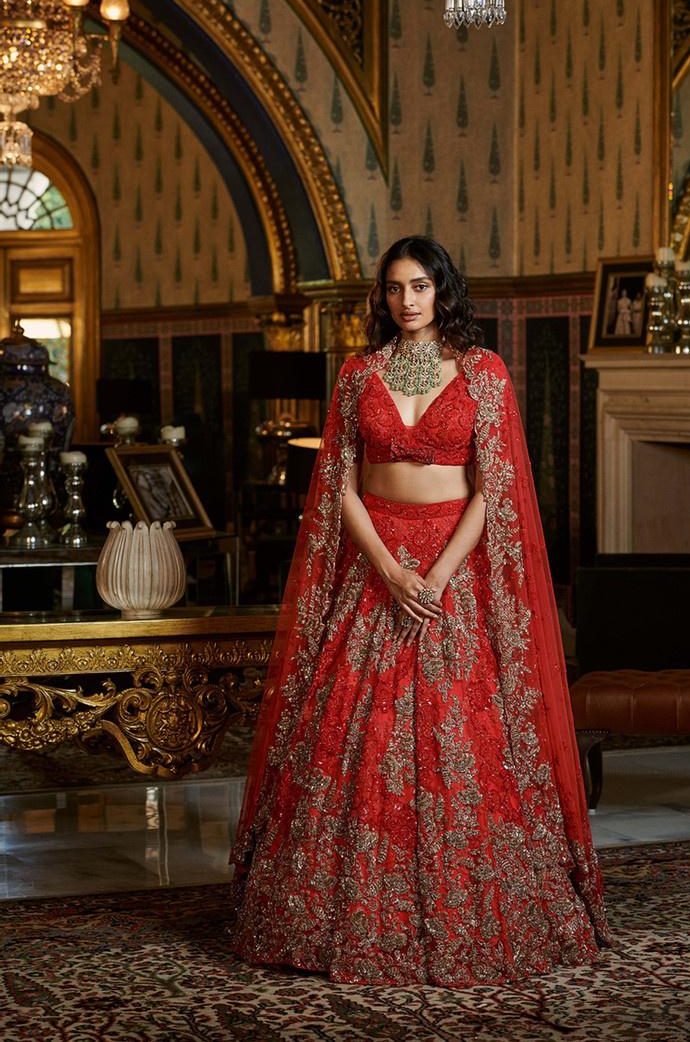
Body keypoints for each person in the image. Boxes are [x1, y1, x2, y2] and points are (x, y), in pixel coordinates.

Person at [231, 236, 608, 987]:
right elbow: (338, 480)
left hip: (449, 572)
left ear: (443, 292)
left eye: (420, 287)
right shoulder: (358, 373)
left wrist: (432, 576)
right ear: (382, 296)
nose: (406, 301)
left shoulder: (482, 373)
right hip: (377, 563)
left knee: (462, 736)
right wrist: (387, 569)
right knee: (348, 730)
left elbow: (492, 487)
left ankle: (480, 910)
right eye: (395, 288)